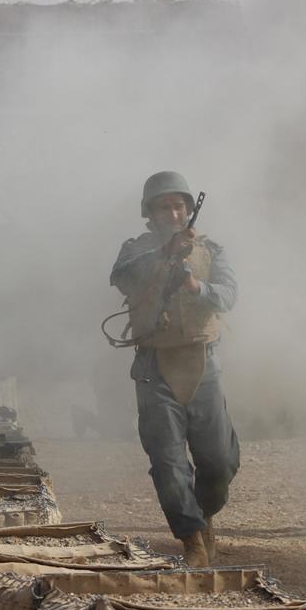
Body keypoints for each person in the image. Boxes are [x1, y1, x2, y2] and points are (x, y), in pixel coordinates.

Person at [110, 172, 240, 567]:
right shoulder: (136, 250)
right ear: (150, 212)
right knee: (168, 461)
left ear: (188, 208)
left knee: (219, 460)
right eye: (164, 206)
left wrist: (195, 286)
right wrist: (165, 254)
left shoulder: (211, 249)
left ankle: (203, 516)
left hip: (203, 361)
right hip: (155, 365)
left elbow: (229, 295)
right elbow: (121, 276)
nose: (173, 212)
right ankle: (192, 540)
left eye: (179, 205)